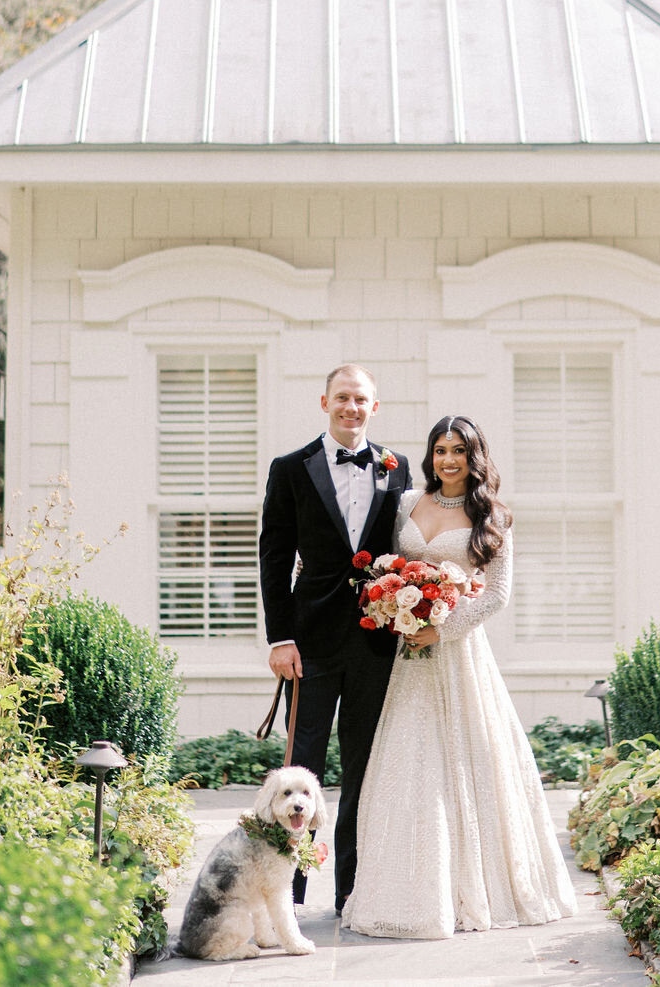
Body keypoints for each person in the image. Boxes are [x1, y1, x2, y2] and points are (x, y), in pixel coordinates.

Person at [342, 414, 577, 938]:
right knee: (408, 762)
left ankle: (477, 886)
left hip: (460, 653)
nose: (448, 460)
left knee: (467, 761)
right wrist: (393, 608)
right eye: (440, 450)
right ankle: (403, 890)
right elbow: (388, 568)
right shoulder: (406, 502)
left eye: (459, 451)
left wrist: (441, 630)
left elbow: (496, 594)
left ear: (475, 457)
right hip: (409, 659)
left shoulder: (493, 515)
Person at [258, 363, 411, 915]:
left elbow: (405, 550)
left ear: (375, 407)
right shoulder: (290, 468)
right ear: (324, 403)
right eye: (342, 398)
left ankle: (352, 891)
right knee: (301, 770)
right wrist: (280, 639)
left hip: (375, 642)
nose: (352, 407)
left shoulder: (397, 468)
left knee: (364, 768)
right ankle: (288, 894)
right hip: (310, 642)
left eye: (361, 399)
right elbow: (274, 557)